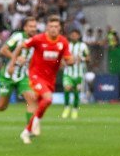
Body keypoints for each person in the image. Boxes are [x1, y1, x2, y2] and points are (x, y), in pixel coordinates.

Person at [8, 15, 73, 144]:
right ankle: (35, 123)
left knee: (40, 104)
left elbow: (67, 59)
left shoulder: (63, 42)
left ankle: (27, 131)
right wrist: (12, 63)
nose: (54, 29)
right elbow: (21, 46)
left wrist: (70, 61)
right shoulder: (38, 39)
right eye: (51, 26)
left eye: (56, 26)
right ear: (47, 28)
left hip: (50, 79)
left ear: (60, 28)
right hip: (36, 76)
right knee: (48, 99)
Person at [0, 17, 39, 125]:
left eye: (35, 26)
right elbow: (3, 50)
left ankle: (30, 130)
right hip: (8, 75)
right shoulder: (18, 37)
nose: (33, 29)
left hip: (23, 76)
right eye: (30, 26)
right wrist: (16, 58)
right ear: (25, 28)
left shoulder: (37, 40)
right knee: (1, 106)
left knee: (32, 100)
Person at [61, 29, 90, 119]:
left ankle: (75, 110)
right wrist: (63, 63)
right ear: (70, 36)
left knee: (76, 92)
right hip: (68, 72)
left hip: (79, 73)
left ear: (79, 36)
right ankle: (66, 108)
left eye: (75, 35)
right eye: (72, 34)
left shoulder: (83, 46)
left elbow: (88, 58)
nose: (74, 36)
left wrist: (82, 59)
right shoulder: (66, 45)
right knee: (67, 88)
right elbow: (61, 57)